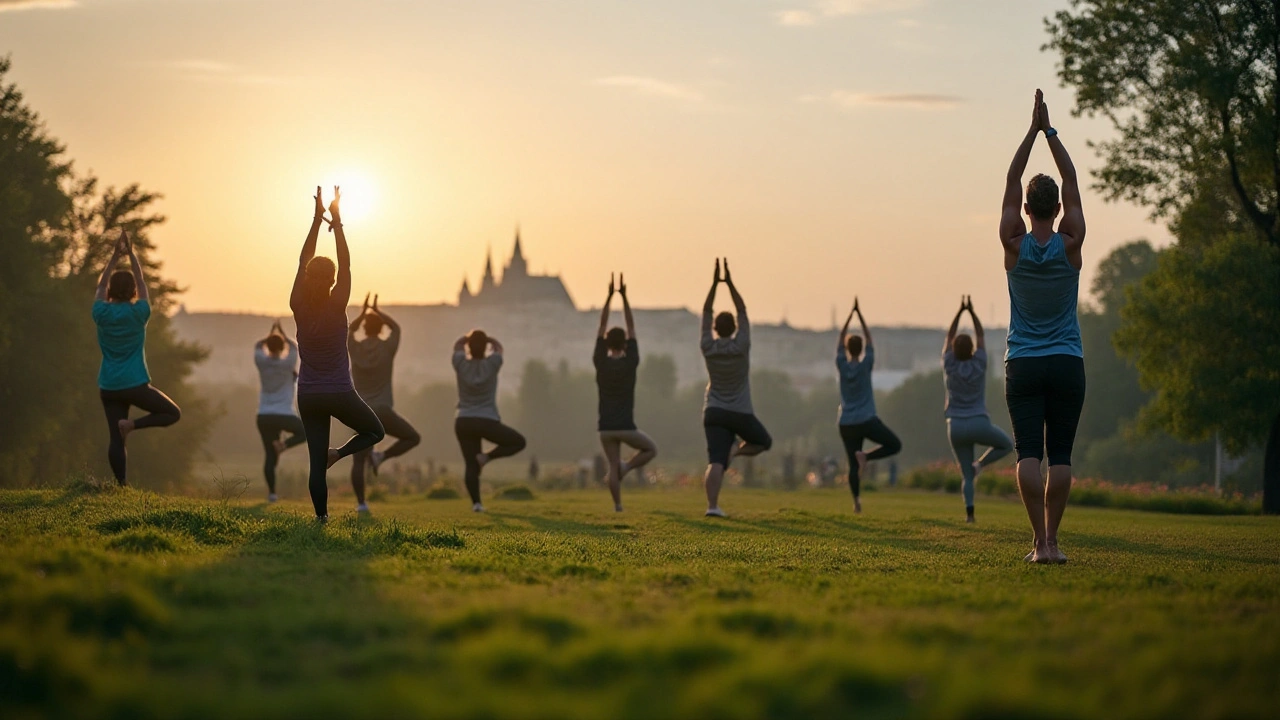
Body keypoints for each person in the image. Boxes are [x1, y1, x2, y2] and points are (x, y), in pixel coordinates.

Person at [1000, 90, 1087, 564]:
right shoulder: (1071, 243)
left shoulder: (1013, 244)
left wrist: (1030, 133)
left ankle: (1040, 543)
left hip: (1024, 363)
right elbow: (1071, 176)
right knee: (1063, 457)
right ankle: (1056, 539)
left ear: (1026, 208)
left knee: (1028, 454)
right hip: (1067, 361)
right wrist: (1051, 132)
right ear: (1056, 208)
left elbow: (1012, 176)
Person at [290, 186, 385, 522]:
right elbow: (345, 263)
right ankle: (339, 454)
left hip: (309, 394)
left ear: (305, 280)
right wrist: (337, 222)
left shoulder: (298, 306)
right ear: (331, 281)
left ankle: (321, 519)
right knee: (375, 432)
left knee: (316, 465)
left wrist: (317, 220)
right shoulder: (336, 304)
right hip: (340, 392)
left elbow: (303, 261)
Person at [93, 229, 181, 486]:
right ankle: (132, 425)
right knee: (172, 413)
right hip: (135, 384)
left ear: (110, 290)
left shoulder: (100, 312)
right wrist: (131, 255)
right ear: (132, 290)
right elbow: (142, 282)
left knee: (114, 438)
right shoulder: (140, 312)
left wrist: (112, 258)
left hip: (109, 386)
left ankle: (121, 485)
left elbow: (100, 285)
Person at [700, 258, 771, 517]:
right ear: (735, 329)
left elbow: (706, 311)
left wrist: (713, 285)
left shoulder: (708, 347)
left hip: (714, 410)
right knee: (763, 441)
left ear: (715, 329)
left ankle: (712, 507)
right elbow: (742, 310)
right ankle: (736, 451)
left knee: (715, 462)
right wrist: (728, 282)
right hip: (740, 411)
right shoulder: (742, 347)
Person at [942, 296, 1013, 523]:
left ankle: (970, 515)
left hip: (954, 426)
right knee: (1006, 445)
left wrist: (958, 313)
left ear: (953, 350)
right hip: (978, 422)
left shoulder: (949, 365)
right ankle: (980, 465)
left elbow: (948, 337)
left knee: (966, 475)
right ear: (972, 349)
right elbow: (981, 336)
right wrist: (971, 313)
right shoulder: (979, 363)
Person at [348, 292, 420, 512]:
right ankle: (382, 456)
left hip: (361, 412)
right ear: (381, 329)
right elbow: (396, 328)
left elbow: (349, 330)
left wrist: (362, 314)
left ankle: (361, 503)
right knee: (412, 437)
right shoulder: (387, 348)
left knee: (358, 460)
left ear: (364, 328)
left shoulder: (355, 348)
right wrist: (378, 312)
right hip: (383, 409)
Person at [594, 273, 657, 512]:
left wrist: (609, 297)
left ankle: (618, 506)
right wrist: (624, 298)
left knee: (611, 465)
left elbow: (601, 326)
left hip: (605, 427)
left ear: (607, 344)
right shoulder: (631, 361)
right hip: (626, 425)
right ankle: (627, 468)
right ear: (624, 345)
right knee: (651, 449)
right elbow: (632, 328)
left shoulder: (600, 361)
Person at [836, 298, 901, 513]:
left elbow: (839, 343)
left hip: (846, 422)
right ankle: (867, 456)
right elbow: (871, 342)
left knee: (852, 464)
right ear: (861, 348)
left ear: (847, 348)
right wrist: (860, 316)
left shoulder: (842, 366)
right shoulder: (866, 365)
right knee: (894, 444)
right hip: (866, 418)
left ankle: (856, 502)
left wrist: (848, 318)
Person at [452, 329, 525, 511]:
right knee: (518, 442)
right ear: (485, 347)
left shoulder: (460, 363)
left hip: (464, 420)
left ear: (469, 347)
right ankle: (487, 457)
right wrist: (489, 339)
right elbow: (499, 348)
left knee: (470, 464)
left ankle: (476, 503)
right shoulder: (492, 363)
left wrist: (468, 338)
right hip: (487, 419)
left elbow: (457, 345)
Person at [254, 319, 305, 502]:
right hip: (284, 414)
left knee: (269, 455)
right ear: (282, 347)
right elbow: (293, 345)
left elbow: (258, 345)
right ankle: (283, 445)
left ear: (267, 346)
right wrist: (282, 331)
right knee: (305, 432)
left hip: (264, 415)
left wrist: (270, 333)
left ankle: (272, 493)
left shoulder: (261, 361)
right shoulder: (288, 364)